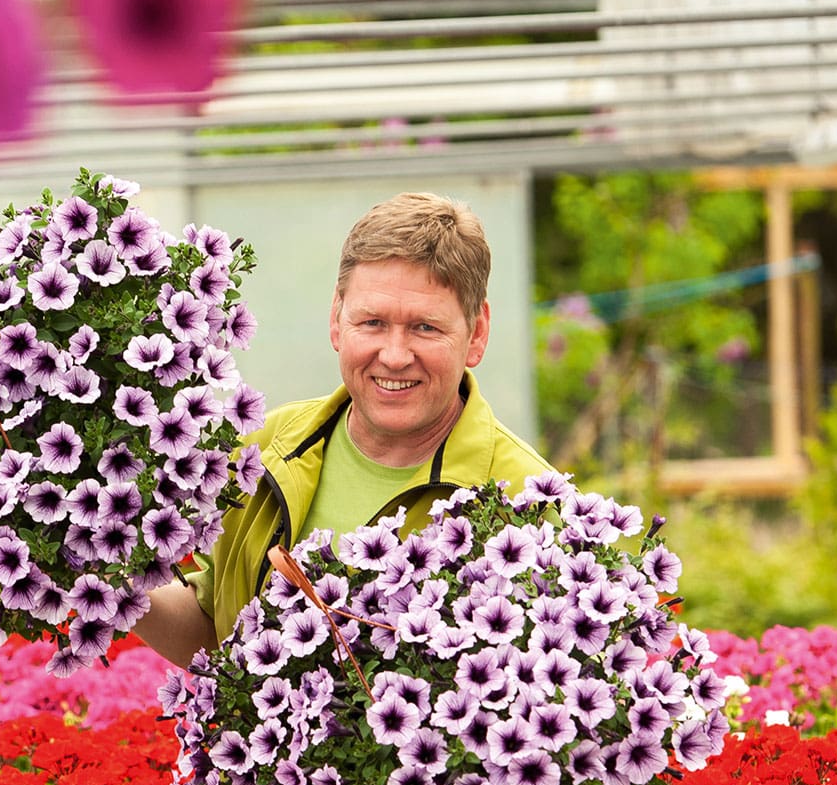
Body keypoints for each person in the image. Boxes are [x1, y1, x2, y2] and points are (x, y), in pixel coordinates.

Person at [135, 191, 553, 667]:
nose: (395, 355)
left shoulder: (526, 502)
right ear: (337, 319)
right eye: (372, 322)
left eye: (425, 328)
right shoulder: (266, 447)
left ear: (476, 334)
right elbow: (215, 630)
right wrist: (111, 583)